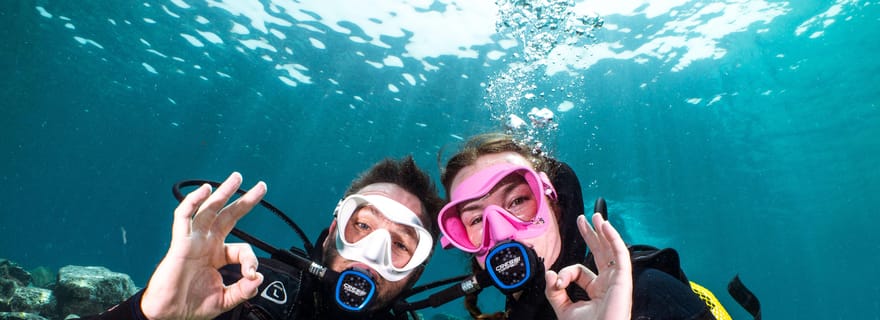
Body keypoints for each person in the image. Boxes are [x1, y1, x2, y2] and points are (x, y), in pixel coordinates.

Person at [89, 156, 444, 320]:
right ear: (331, 234)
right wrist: (148, 315)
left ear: (415, 272)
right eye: (362, 227)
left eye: (401, 245)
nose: (372, 255)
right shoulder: (242, 290)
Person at [437, 133, 715, 319]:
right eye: (475, 219)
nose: (501, 233)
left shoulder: (647, 292)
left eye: (518, 200)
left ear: (555, 207)